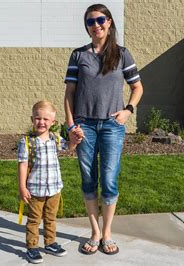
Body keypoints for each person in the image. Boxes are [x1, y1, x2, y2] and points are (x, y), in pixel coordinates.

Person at [63, 4, 144, 256]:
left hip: (112, 126)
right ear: (86, 26)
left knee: (109, 180)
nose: (96, 25)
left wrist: (127, 111)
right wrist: (71, 125)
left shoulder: (122, 54)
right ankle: (95, 232)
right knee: (89, 180)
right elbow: (69, 94)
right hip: (84, 125)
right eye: (90, 21)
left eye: (100, 20)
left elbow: (137, 87)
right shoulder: (78, 55)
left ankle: (107, 232)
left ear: (109, 22)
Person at [17, 100, 83, 264]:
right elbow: (23, 165)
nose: (42, 122)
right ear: (32, 119)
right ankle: (32, 247)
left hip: (54, 188)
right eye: (38, 118)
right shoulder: (26, 142)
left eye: (46, 119)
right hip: (35, 190)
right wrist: (22, 187)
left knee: (50, 218)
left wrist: (75, 139)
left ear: (53, 122)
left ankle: (50, 243)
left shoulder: (55, 138)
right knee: (34, 220)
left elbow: (70, 147)